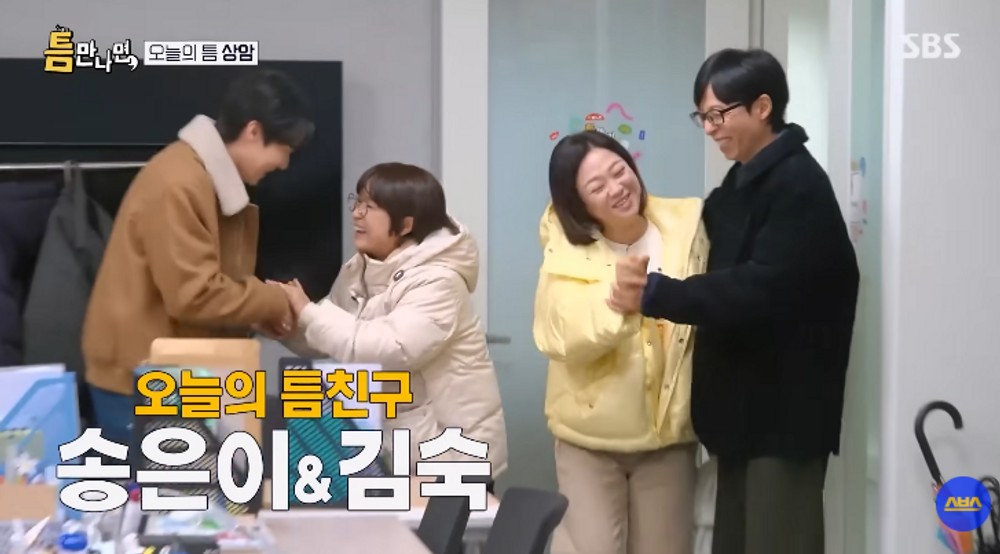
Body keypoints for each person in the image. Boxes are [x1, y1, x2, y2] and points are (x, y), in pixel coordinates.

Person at [609, 48, 860, 554]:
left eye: (718, 115)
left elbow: (760, 289)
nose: (709, 128)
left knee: (777, 541)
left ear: (762, 107)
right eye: (702, 117)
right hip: (742, 416)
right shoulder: (741, 183)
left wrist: (658, 293)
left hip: (782, 418)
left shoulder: (798, 186)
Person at [81, 69, 315, 443]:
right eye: (284, 149)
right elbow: (196, 293)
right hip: (138, 380)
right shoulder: (179, 183)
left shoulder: (202, 178)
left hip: (168, 372)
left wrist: (256, 313)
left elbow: (208, 284)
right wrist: (274, 300)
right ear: (253, 132)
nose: (284, 164)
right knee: (156, 482)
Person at [275, 162, 508, 488]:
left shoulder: (438, 280)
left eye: (370, 207)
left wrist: (308, 312)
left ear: (405, 224)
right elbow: (330, 337)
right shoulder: (359, 269)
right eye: (356, 202)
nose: (357, 213)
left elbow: (389, 348)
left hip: (450, 458)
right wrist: (284, 323)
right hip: (400, 451)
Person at [533, 130, 707, 554]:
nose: (617, 188)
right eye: (597, 186)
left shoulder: (688, 226)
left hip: (667, 438)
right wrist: (616, 304)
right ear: (578, 203)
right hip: (588, 438)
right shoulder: (566, 247)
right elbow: (557, 333)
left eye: (619, 171)